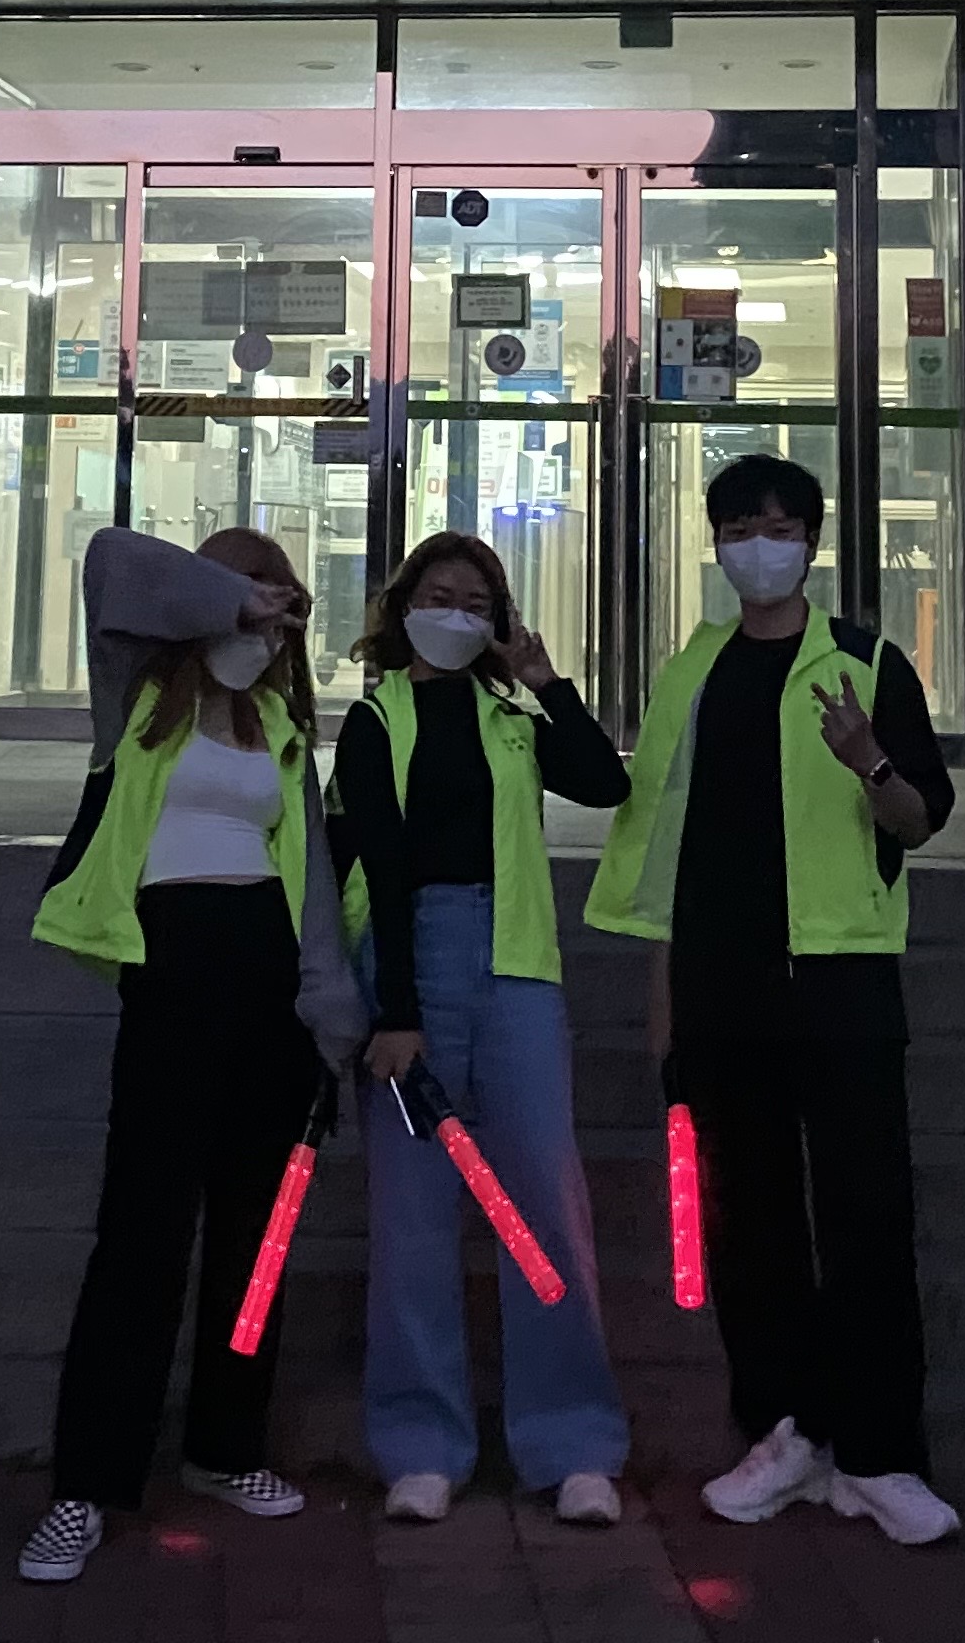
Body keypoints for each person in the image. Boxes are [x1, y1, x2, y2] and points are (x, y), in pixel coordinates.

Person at [585, 453, 960, 1546]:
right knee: (747, 1223)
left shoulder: (867, 663)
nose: (761, 546)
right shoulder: (691, 673)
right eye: (741, 527)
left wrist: (869, 761)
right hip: (721, 985)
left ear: (812, 542)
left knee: (867, 1217)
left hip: (842, 979)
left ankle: (880, 1456)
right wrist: (664, 1007)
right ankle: (787, 1434)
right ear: (716, 545)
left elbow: (921, 819)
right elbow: (666, 848)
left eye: (781, 527)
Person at [18, 524, 364, 1587]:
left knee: (254, 1236)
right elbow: (110, 561)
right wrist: (234, 596)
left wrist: (331, 1011)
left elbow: (307, 876)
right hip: (170, 973)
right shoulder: (138, 695)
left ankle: (226, 1445)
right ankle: (87, 1485)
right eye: (253, 596)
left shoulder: (284, 726)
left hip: (267, 983)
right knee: (142, 1234)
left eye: (284, 605)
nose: (269, 620)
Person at [330, 532, 634, 1528]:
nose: (455, 613)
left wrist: (545, 682)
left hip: (516, 965)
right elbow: (377, 860)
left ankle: (573, 1444)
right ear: (402, 607)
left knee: (545, 1198)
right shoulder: (375, 720)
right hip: (409, 961)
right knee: (412, 1217)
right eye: (439, 595)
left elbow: (604, 784)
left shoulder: (514, 718)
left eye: (475, 601)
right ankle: (421, 1445)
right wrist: (395, 1012)